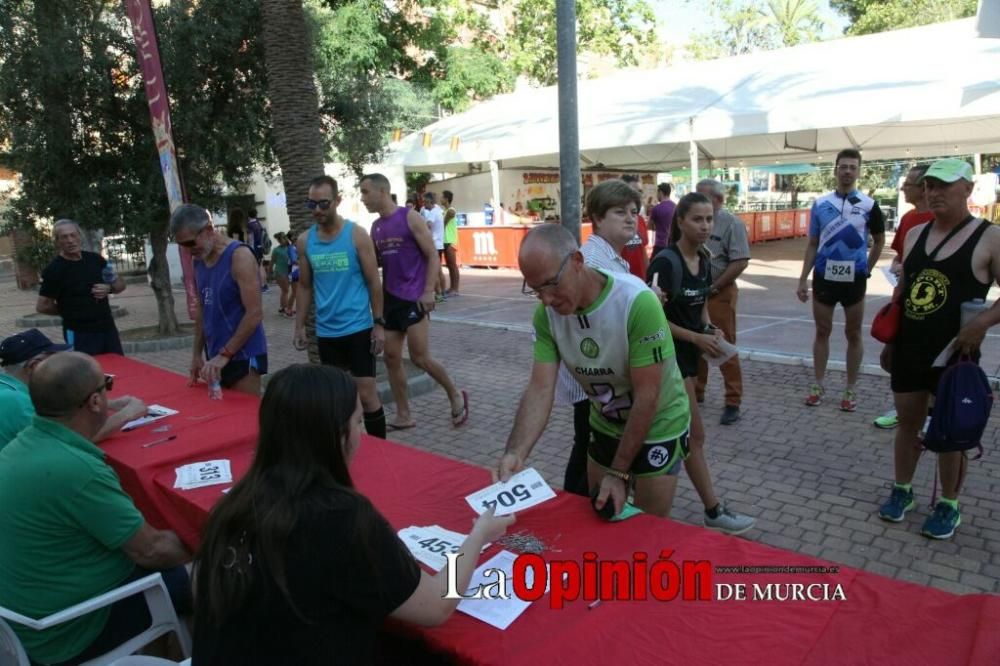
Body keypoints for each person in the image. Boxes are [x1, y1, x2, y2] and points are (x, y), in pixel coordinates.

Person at [192, 364, 512, 665]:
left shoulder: (235, 503)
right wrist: (478, 535)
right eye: (358, 422)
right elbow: (438, 605)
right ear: (335, 435)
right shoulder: (341, 517)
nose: (364, 435)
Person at [0, 352, 190, 666]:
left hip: (23, 622)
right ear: (95, 402)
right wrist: (200, 543)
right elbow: (153, 551)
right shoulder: (77, 471)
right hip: (67, 633)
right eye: (107, 385)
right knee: (212, 575)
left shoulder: (20, 446)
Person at [497, 223, 690, 520]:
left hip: (658, 423)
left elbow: (647, 397)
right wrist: (516, 452)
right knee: (602, 519)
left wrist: (619, 472)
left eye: (551, 284)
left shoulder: (636, 302)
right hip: (606, 422)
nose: (547, 299)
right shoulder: (547, 316)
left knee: (649, 529)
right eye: (536, 291)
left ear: (577, 261)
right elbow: (540, 388)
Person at [877, 158, 1000, 540]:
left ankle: (949, 503)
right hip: (911, 348)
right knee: (907, 422)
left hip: (957, 354)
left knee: (952, 432)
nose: (934, 192)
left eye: (944, 185)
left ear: (967, 188)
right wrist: (891, 340)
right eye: (929, 185)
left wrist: (980, 325)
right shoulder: (915, 233)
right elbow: (905, 291)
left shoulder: (990, 237)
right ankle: (903, 489)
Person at [648, 193, 756, 535]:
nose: (705, 225)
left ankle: (633, 484)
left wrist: (709, 328)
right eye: (698, 219)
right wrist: (696, 338)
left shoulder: (706, 260)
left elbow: (700, 307)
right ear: (680, 221)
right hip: (667, 363)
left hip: (689, 364)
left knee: (678, 434)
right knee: (695, 435)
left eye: (709, 219)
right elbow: (652, 321)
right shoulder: (665, 263)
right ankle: (712, 509)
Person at [362, 173, 469, 430]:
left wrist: (429, 291)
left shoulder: (409, 217)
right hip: (391, 299)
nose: (362, 198)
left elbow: (432, 255)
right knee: (391, 357)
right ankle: (404, 414)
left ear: (382, 191)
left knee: (420, 357)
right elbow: (378, 263)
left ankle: (455, 394)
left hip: (414, 297)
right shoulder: (375, 227)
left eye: (366, 192)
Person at [293, 174, 387, 440]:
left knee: (367, 395)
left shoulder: (356, 235)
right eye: (311, 205)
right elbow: (305, 286)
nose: (317, 211)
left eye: (323, 204)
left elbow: (373, 282)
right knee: (338, 398)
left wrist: (378, 325)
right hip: (327, 333)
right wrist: (299, 326)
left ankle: (382, 453)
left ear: (337, 201)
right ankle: (347, 450)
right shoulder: (305, 241)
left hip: (358, 328)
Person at [797, 148, 886, 411]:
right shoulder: (821, 204)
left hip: (854, 281)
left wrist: (867, 269)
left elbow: (880, 241)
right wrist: (803, 278)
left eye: (852, 167)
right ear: (835, 170)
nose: (847, 171)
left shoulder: (869, 205)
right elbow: (813, 243)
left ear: (858, 171)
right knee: (822, 331)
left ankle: (850, 389)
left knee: (853, 333)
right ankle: (818, 384)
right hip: (824, 277)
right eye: (843, 166)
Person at [170, 204, 268, 396]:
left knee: (244, 418)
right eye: (182, 247)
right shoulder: (198, 259)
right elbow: (202, 309)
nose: (189, 251)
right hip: (215, 355)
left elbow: (255, 314)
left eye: (190, 243)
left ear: (208, 229)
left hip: (243, 355)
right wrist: (197, 354)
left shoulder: (240, 256)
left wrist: (225, 354)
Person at [0, 329, 147, 450]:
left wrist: (108, 404)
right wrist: (127, 414)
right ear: (34, 366)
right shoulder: (17, 401)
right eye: (54, 361)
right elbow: (70, 438)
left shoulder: (11, 386)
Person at [874, 164, 935, 429]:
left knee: (932, 363)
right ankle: (905, 410)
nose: (903, 189)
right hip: (903, 301)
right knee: (897, 360)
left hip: (931, 305)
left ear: (923, 188)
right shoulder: (909, 219)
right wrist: (897, 266)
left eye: (907, 184)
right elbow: (900, 253)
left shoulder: (938, 218)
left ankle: (931, 414)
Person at [694, 179, 751, 426]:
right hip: (695, 293)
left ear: (718, 200)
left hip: (720, 294)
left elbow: (739, 262)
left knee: (723, 344)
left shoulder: (732, 224)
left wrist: (713, 288)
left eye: (703, 197)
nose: (697, 202)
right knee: (695, 342)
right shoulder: (692, 221)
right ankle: (696, 392)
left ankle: (732, 401)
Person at [36, 219, 127, 355]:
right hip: (79, 333)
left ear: (80, 236)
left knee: (119, 369)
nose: (70, 240)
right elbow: (42, 306)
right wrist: (70, 311)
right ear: (57, 241)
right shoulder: (54, 270)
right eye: (64, 237)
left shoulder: (96, 260)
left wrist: (110, 289)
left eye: (73, 235)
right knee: (86, 374)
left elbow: (120, 285)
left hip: (108, 329)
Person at [620, 175, 651, 279]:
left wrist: (648, 277)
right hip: (622, 284)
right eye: (633, 191)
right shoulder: (614, 221)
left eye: (640, 191)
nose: (638, 195)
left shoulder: (640, 220)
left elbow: (643, 252)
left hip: (641, 283)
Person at [421, 191, 448, 302]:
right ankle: (442, 292)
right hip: (439, 244)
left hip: (433, 245)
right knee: (439, 270)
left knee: (434, 271)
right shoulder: (439, 210)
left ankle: (438, 294)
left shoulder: (432, 212)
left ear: (429, 201)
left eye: (425, 202)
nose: (423, 204)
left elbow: (428, 225)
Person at [442, 189, 461, 296]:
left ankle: (455, 289)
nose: (440, 199)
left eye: (442, 197)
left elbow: (452, 213)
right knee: (449, 265)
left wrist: (444, 221)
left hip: (450, 241)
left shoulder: (450, 209)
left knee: (453, 265)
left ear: (446, 199)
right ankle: (452, 288)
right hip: (445, 241)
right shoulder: (443, 211)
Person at [649, 182, 675, 257]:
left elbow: (649, 226)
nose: (657, 195)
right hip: (672, 244)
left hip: (660, 245)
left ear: (660, 192)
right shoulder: (676, 207)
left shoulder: (656, 209)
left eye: (657, 193)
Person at [270, 232, 292, 316]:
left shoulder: (290, 248)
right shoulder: (276, 250)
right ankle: (285, 308)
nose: (280, 241)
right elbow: (272, 262)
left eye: (281, 239)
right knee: (286, 290)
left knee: (284, 291)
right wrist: (269, 273)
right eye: (279, 240)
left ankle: (282, 307)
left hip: (289, 272)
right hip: (280, 272)